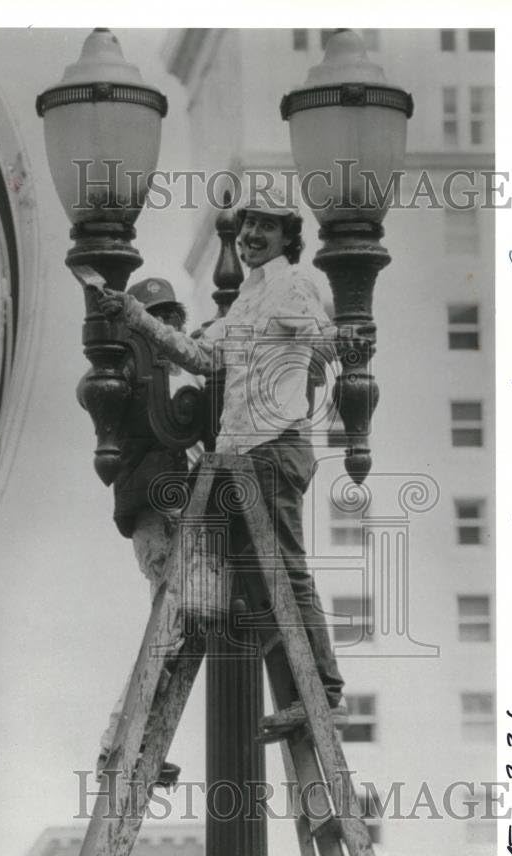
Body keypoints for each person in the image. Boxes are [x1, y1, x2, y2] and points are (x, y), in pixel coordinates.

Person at [98, 189, 347, 722]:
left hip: (273, 447)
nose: (254, 235)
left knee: (284, 571)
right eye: (248, 224)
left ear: (288, 236)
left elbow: (330, 344)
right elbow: (204, 356)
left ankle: (321, 690)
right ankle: (301, 693)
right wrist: (139, 318)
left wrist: (300, 356)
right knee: (233, 581)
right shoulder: (249, 299)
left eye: (267, 226)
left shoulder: (293, 284)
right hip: (239, 457)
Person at [97, 277, 203, 783]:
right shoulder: (145, 382)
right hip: (157, 517)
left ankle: (129, 743)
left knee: (172, 627)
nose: (171, 328)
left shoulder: (138, 377)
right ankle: (123, 742)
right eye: (164, 319)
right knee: (169, 626)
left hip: (153, 516)